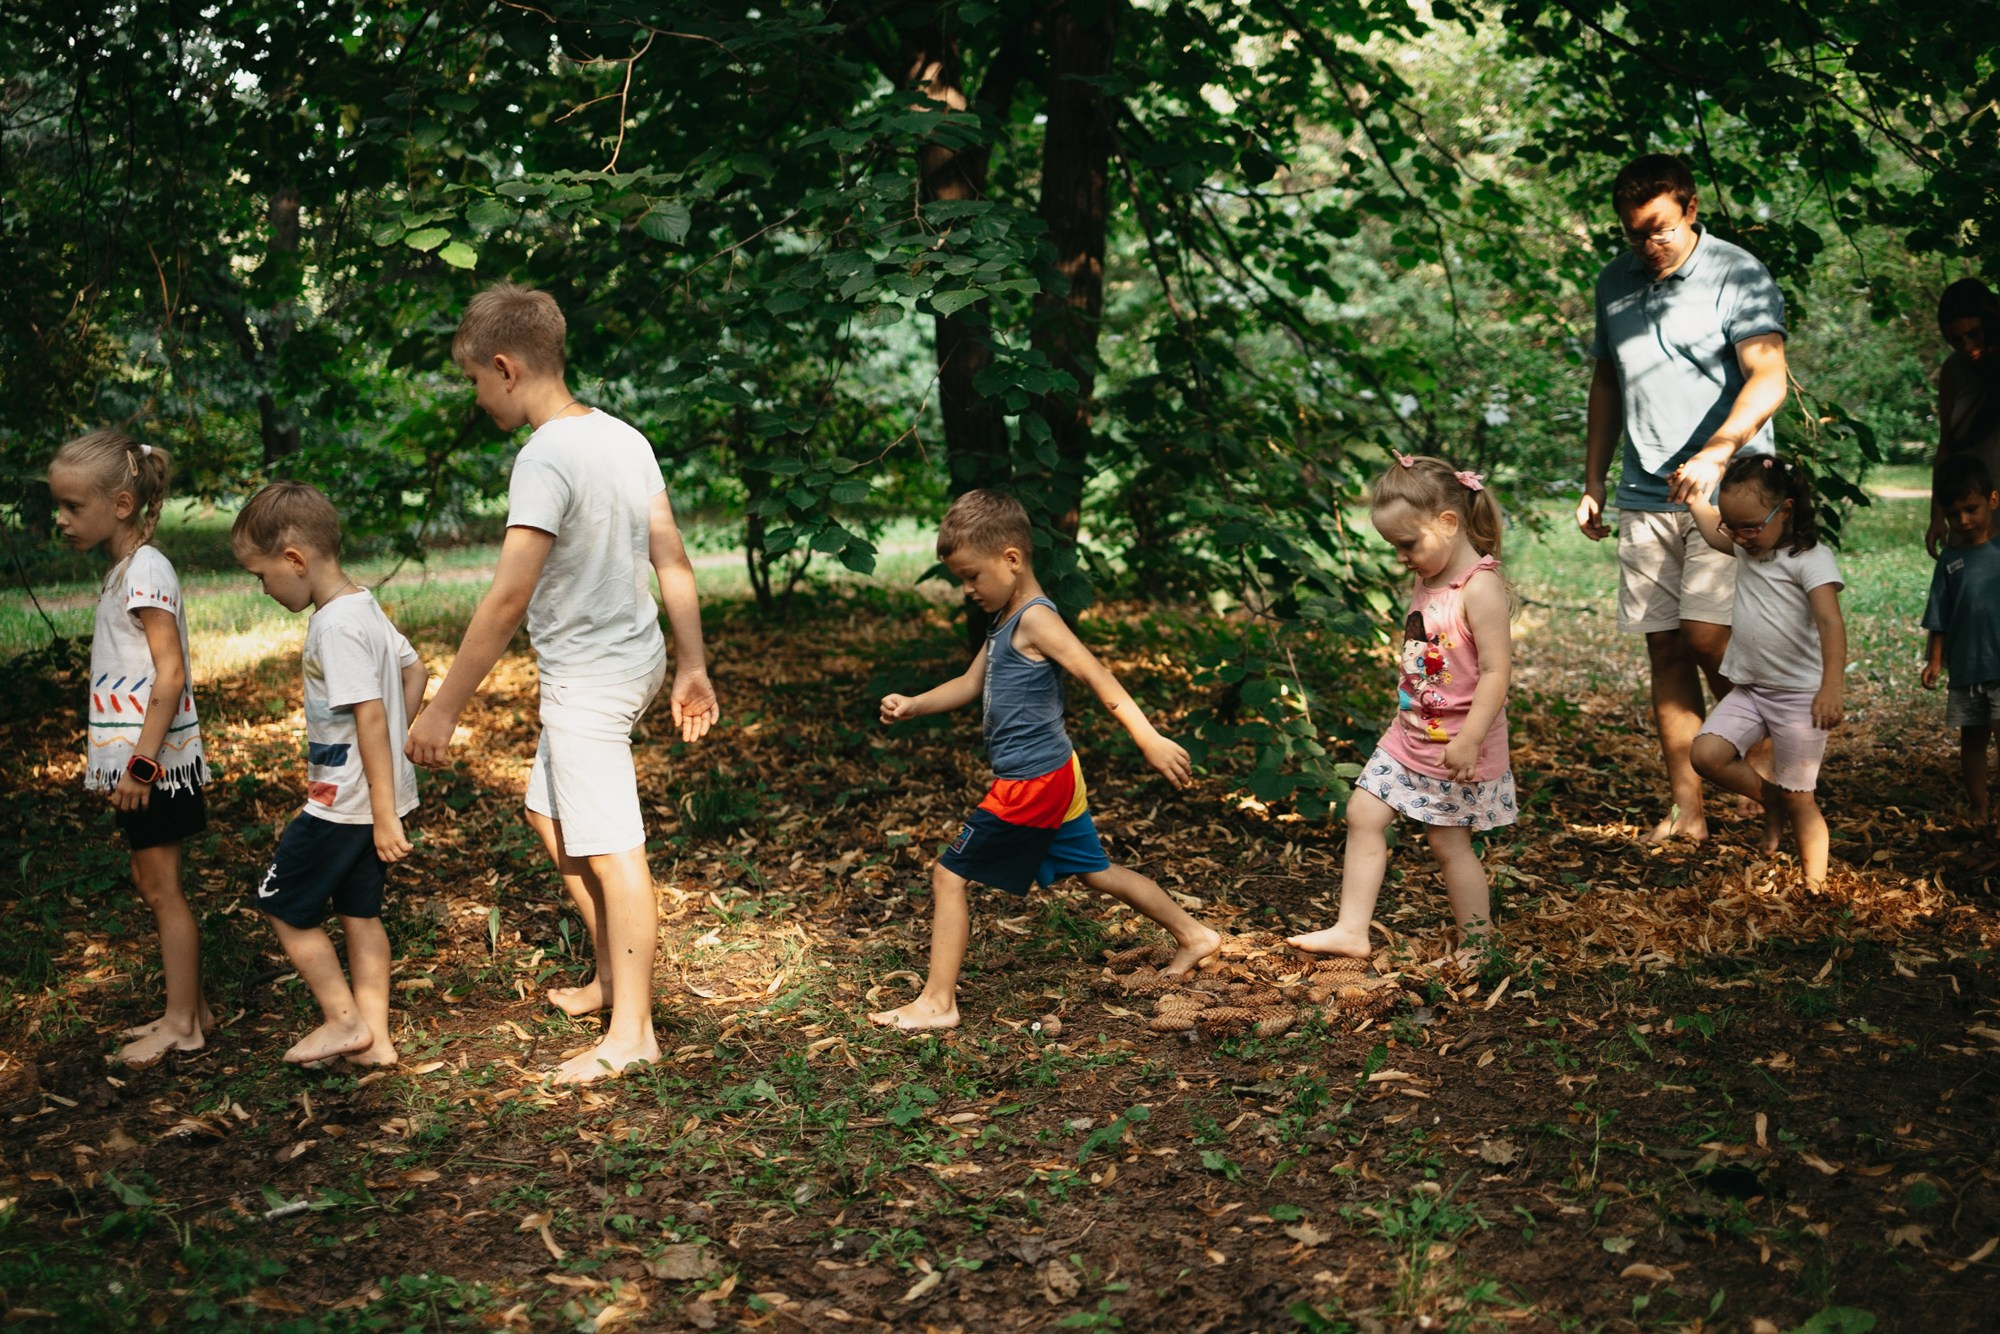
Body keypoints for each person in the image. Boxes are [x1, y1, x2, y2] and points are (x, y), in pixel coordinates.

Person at [406, 283, 719, 1085]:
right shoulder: (623, 437)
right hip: (636, 656)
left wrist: (442, 709)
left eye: (476, 380)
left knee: (616, 853)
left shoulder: (544, 456)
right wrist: (688, 663)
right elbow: (672, 559)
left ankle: (634, 1032)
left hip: (592, 679)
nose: (477, 396)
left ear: (506, 368)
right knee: (548, 813)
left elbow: (509, 596)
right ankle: (617, 977)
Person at [871, 489, 1222, 1030]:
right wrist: (915, 704)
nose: (967, 590)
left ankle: (938, 1004)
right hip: (1055, 772)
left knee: (948, 876)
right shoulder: (1005, 621)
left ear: (1011, 559)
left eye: (971, 576)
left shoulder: (1037, 620)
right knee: (1096, 873)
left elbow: (1097, 675)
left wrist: (1148, 738)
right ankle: (1195, 936)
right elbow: (970, 683)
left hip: (1034, 781)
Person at [1576, 153, 1790, 843]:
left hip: (1731, 493)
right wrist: (1594, 480)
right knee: (1665, 651)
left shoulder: (1738, 272)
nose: (1648, 245)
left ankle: (1773, 767)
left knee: (1708, 639)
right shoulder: (1614, 281)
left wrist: (1718, 451)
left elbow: (1769, 377)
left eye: (1660, 229)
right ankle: (1687, 811)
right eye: (1635, 232)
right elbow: (1607, 383)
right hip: (1644, 495)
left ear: (1692, 209)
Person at [1288, 455, 1515, 959]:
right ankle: (1352, 929)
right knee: (1363, 811)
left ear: (1448, 523)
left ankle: (1479, 943)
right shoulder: (1429, 575)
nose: (1402, 557)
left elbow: (1497, 673)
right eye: (1395, 547)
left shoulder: (1480, 588)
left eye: (1407, 544)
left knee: (1448, 844)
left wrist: (1472, 738)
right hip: (1408, 735)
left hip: (1458, 745)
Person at [232, 483, 426, 1066]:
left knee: (281, 904)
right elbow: (414, 673)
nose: (263, 589)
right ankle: (377, 1041)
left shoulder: (333, 627)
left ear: (295, 559)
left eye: (261, 576)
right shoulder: (363, 607)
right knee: (360, 914)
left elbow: (369, 714)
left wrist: (383, 810)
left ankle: (343, 1022)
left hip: (341, 804)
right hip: (368, 799)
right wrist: (394, 760)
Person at [48, 430, 214, 1067]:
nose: (61, 519)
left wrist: (142, 765)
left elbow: (169, 675)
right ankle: (191, 1008)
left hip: (159, 767)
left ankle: (184, 1026)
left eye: (72, 506)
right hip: (144, 766)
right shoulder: (127, 568)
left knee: (163, 888)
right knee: (152, 883)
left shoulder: (147, 569)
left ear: (120, 504)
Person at [1685, 455, 1846, 889]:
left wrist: (1831, 686)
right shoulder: (1746, 544)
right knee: (1705, 756)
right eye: (1732, 527)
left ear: (1787, 510)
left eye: (1750, 526)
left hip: (1798, 698)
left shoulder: (1810, 560)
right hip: (1751, 691)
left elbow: (1831, 623)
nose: (1739, 537)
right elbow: (1709, 526)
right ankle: (1769, 800)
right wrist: (1696, 496)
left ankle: (1815, 887)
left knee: (1802, 801)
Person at [1921, 455, 2000, 827]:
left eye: (1972, 509)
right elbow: (1940, 615)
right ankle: (1979, 808)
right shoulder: (1950, 559)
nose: (1964, 521)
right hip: (1966, 669)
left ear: (1993, 501)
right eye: (1955, 514)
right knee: (1973, 741)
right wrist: (1936, 661)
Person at [1926, 280, 2000, 558]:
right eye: (1956, 340)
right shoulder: (1953, 370)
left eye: (1975, 334)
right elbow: (1946, 446)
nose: (1969, 347)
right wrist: (1937, 515)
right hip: (1968, 513)